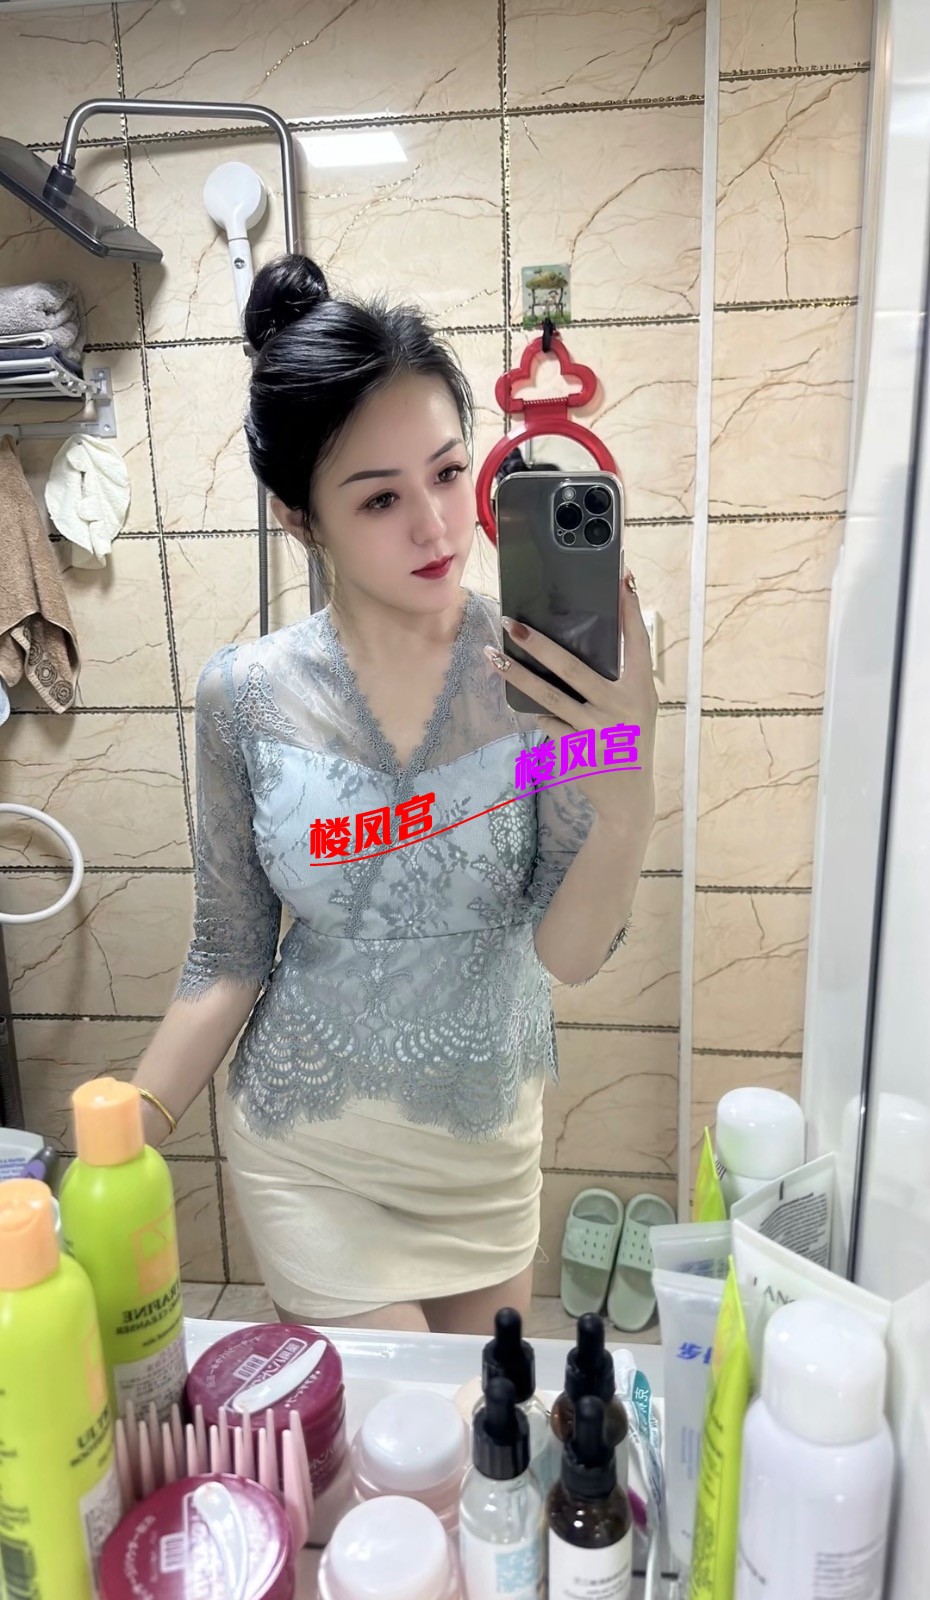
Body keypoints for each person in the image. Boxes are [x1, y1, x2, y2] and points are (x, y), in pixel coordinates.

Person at [129, 254, 658, 1335]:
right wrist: (122, 1134)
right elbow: (228, 954)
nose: (436, 526)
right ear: (298, 517)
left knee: (480, 1432)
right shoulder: (244, 696)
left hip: (485, 1150)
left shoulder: (540, 674)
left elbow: (567, 955)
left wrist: (631, 784)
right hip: (309, 1150)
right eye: (379, 497)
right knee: (403, 1433)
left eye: (449, 472)